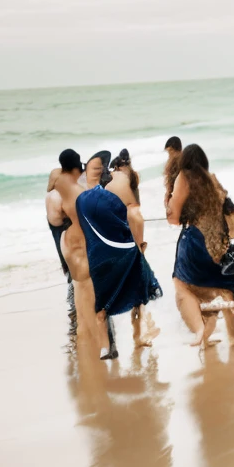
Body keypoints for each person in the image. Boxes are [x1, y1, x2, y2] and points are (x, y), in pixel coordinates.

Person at [76, 147, 162, 349]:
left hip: (113, 240)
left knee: (114, 289)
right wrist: (140, 245)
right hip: (130, 232)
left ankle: (117, 335)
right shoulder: (130, 178)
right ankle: (138, 332)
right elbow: (133, 211)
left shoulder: (107, 184)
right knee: (139, 286)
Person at [167, 142, 234, 347]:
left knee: (184, 287)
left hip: (194, 246)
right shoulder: (213, 181)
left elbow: (173, 218)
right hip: (217, 247)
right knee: (225, 289)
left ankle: (200, 331)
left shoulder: (183, 178)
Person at [52, 153, 113, 357]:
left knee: (80, 290)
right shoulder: (81, 193)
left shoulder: (58, 185)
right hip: (85, 244)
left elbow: (56, 220)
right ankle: (104, 343)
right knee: (95, 292)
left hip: (67, 244)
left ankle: (87, 337)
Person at [46, 148, 81, 332]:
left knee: (67, 266)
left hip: (54, 224)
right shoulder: (66, 189)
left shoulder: (55, 179)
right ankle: (75, 305)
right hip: (62, 227)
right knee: (72, 267)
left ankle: (73, 303)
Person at [163, 135, 182, 209]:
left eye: (170, 151)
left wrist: (168, 195)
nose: (169, 155)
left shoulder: (175, 162)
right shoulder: (185, 160)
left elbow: (172, 183)